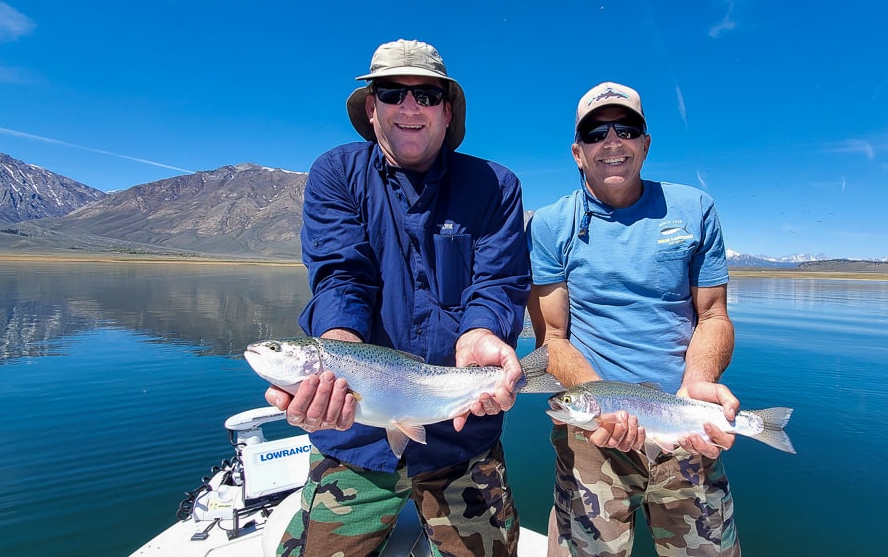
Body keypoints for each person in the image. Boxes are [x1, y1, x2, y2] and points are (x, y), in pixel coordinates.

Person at [263, 39, 531, 557]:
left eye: (427, 95)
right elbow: (342, 276)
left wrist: (483, 334)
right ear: (372, 107)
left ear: (446, 110)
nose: (410, 107)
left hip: (462, 433)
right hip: (354, 442)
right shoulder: (336, 174)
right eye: (392, 92)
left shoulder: (495, 186)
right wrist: (336, 351)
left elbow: (497, 283)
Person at [526, 82, 743, 556]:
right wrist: (599, 405)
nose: (612, 141)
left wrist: (700, 378)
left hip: (686, 425)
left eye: (626, 129)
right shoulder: (548, 225)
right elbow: (553, 339)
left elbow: (713, 315)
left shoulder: (693, 209)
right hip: (591, 435)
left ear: (645, 143)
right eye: (595, 132)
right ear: (577, 152)